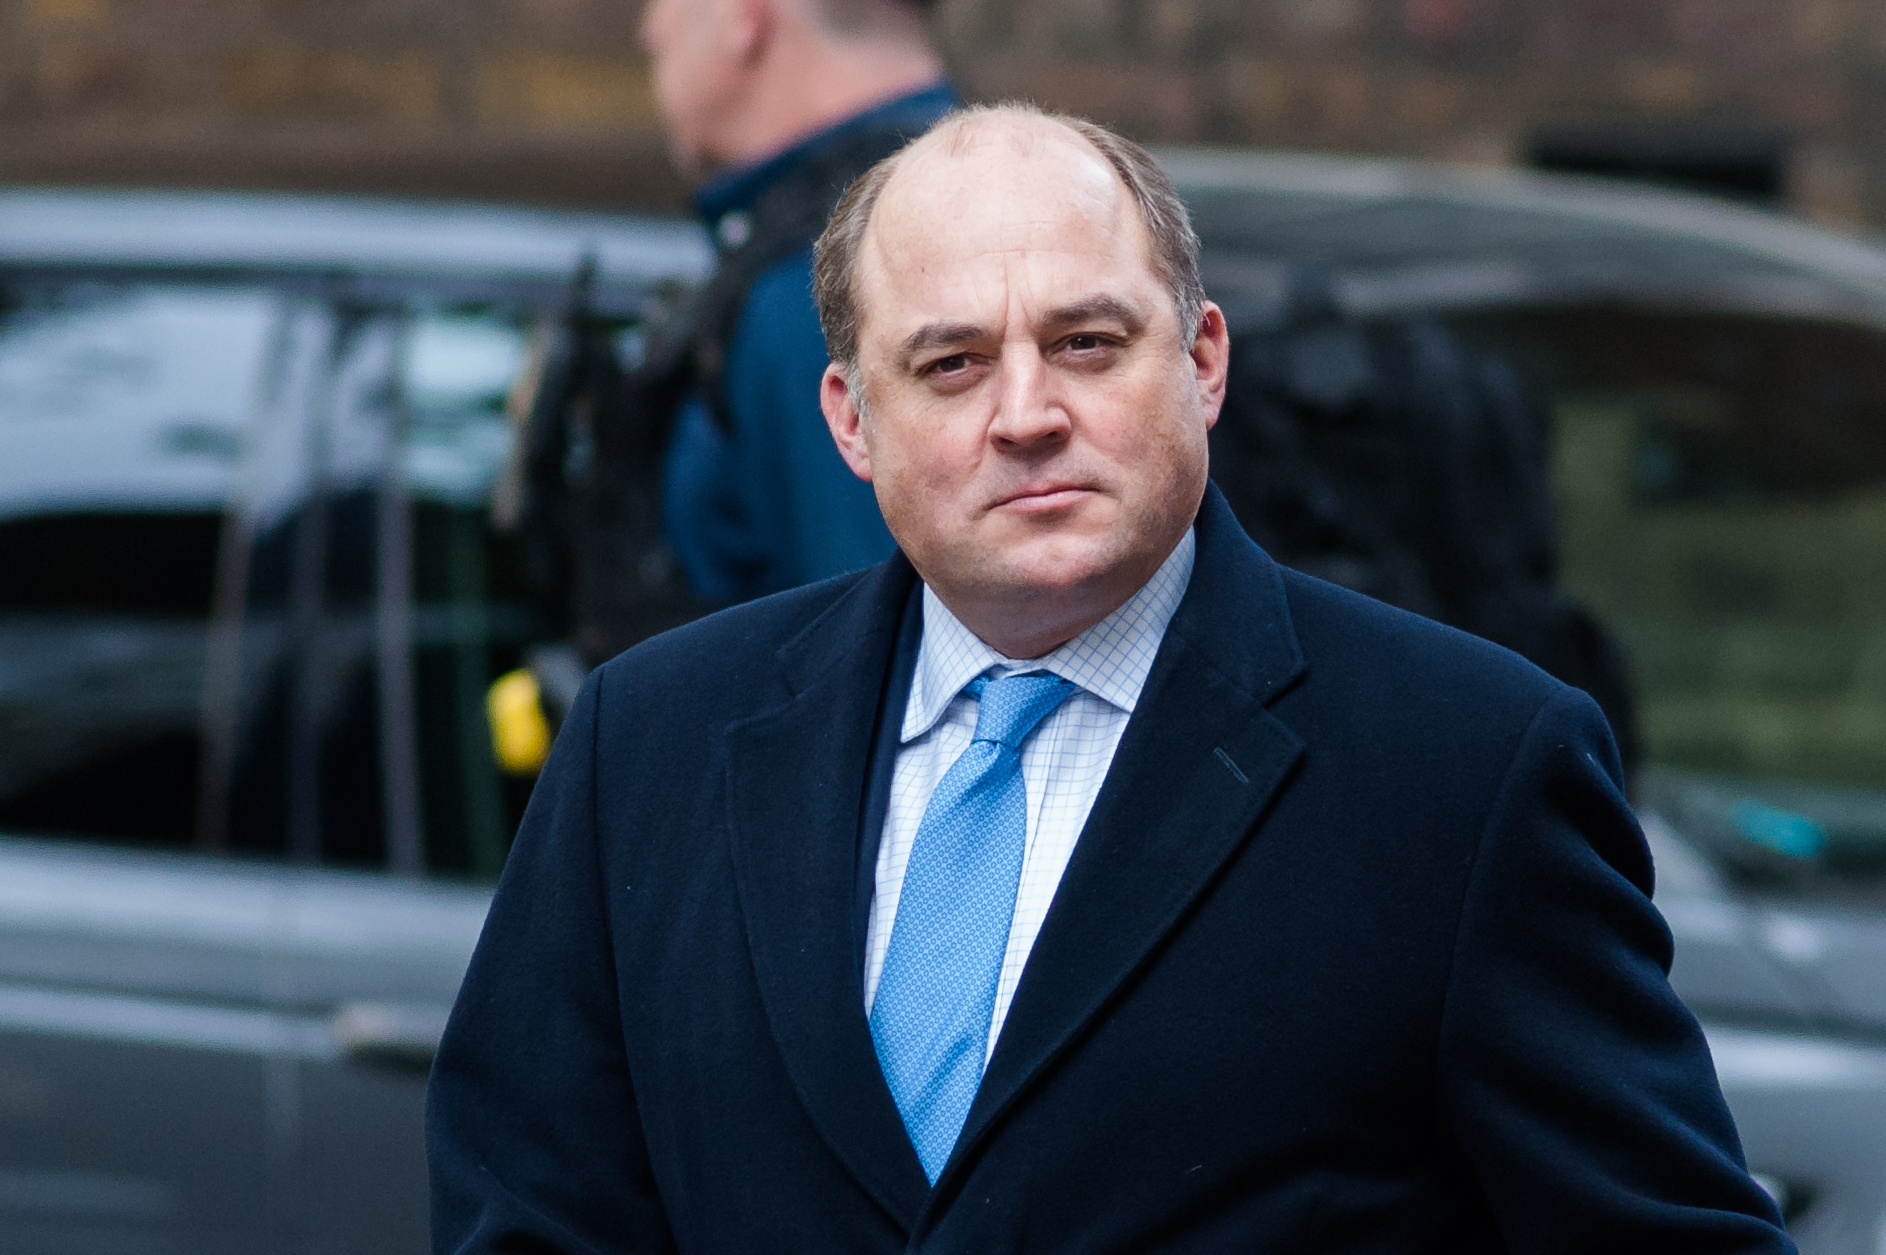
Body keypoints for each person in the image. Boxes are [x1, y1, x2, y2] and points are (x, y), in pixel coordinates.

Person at [429, 106, 1794, 1252]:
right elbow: (531, 1216)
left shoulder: (1465, 768)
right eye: (951, 364)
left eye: (1085, 342)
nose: (1025, 414)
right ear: (852, 420)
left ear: (1200, 362)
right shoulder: (648, 743)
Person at [640, 0, 957, 603]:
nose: (649, 32)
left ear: (743, 16)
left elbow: (879, 635)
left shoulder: (819, 280)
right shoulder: (996, 199)